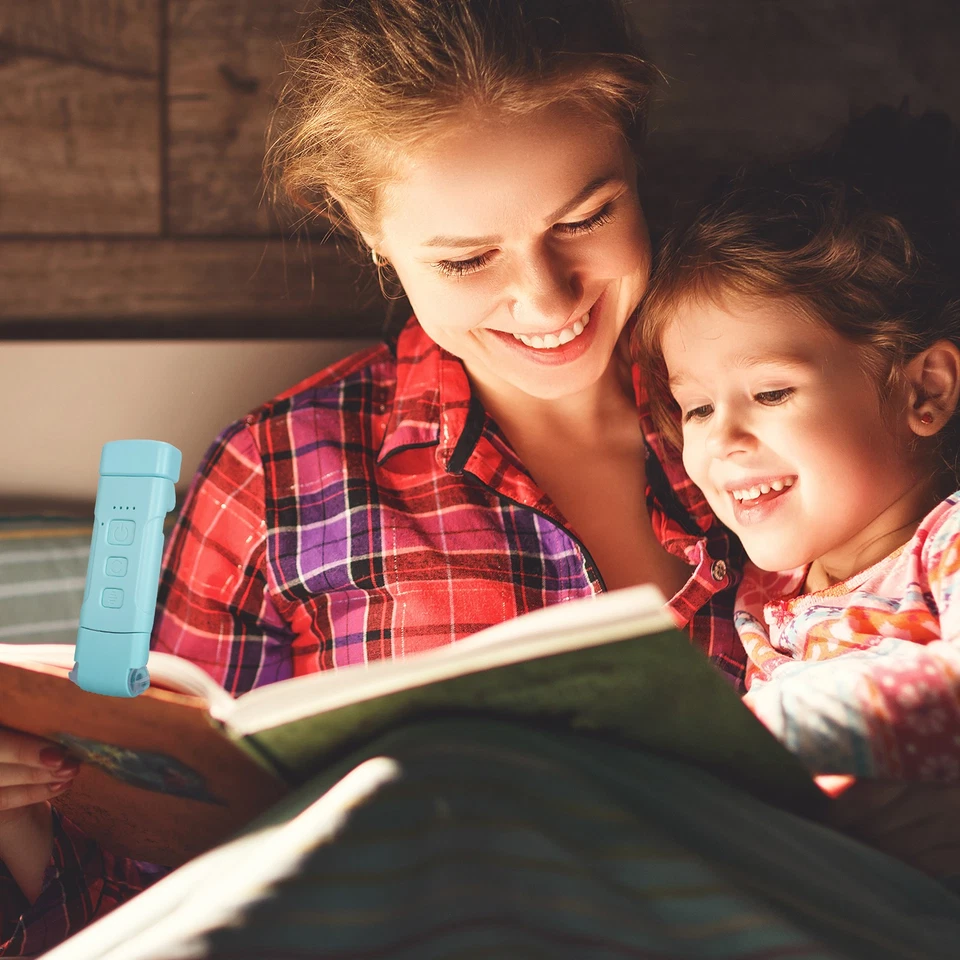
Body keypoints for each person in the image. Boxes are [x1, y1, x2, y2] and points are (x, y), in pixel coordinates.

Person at [0, 1, 745, 953]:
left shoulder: (788, 407)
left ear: (638, 166)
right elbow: (142, 888)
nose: (548, 296)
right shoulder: (274, 478)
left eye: (589, 216)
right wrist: (24, 816)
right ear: (366, 229)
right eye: (468, 258)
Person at [635, 124, 960, 877]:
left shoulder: (943, 546)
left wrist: (761, 740)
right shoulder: (766, 588)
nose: (724, 440)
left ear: (925, 390)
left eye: (771, 392)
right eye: (696, 408)